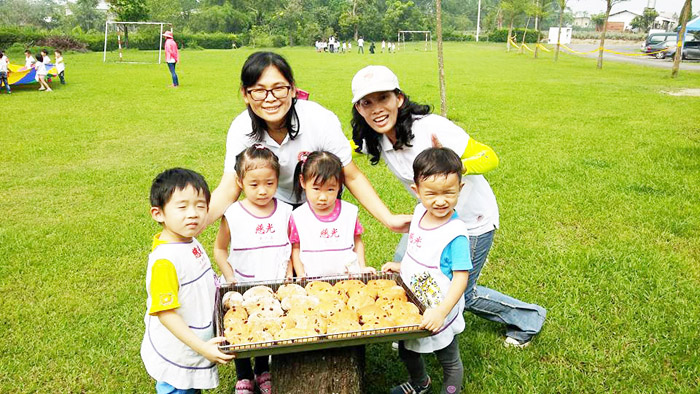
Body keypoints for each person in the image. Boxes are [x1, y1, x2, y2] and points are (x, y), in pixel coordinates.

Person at [351, 65, 546, 348]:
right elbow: (345, 148)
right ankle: (410, 329)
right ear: (358, 108)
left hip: (469, 222)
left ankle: (529, 318)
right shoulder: (376, 138)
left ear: (399, 98)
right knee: (407, 279)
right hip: (428, 219)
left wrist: (451, 167)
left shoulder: (430, 127)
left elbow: (489, 156)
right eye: (367, 102)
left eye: (383, 98)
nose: (376, 109)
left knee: (460, 292)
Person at [207, 52, 410, 235]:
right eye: (259, 91)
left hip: (321, 198)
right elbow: (229, 187)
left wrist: (388, 219)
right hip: (272, 201)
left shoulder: (319, 119)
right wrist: (194, 225)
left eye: (279, 88)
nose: (270, 99)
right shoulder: (242, 128)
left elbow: (351, 175)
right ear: (245, 94)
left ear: (293, 89)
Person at [382, 148, 471, 394]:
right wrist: (402, 267)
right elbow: (422, 253)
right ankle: (421, 383)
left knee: (449, 359)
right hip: (414, 303)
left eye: (449, 193)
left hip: (438, 308)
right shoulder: (420, 213)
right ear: (417, 191)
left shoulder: (456, 235)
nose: (440, 201)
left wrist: (441, 312)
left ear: (460, 189)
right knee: (406, 350)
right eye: (431, 193)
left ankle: (451, 391)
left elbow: (461, 279)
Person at [141, 168, 233, 393]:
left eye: (201, 206)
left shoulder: (188, 240)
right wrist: (202, 348)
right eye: (182, 207)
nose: (193, 213)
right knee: (179, 388)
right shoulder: (165, 260)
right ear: (158, 213)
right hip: (180, 350)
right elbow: (166, 314)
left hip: (195, 343)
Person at [213, 146, 290, 394]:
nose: (262, 190)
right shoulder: (233, 214)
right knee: (242, 329)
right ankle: (243, 374)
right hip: (243, 286)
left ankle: (262, 369)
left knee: (267, 326)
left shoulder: (286, 212)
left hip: (274, 285)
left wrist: (289, 273)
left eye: (269, 183)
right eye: (254, 184)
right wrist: (230, 276)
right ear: (240, 182)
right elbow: (220, 249)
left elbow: (292, 246)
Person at [289, 151, 376, 277]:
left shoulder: (348, 212)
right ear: (303, 181)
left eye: (330, 189)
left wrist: (362, 267)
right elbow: (296, 248)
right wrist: (301, 274)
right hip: (313, 283)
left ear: (339, 185)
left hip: (349, 280)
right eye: (316, 189)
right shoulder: (299, 216)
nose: (323, 197)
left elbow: (357, 241)